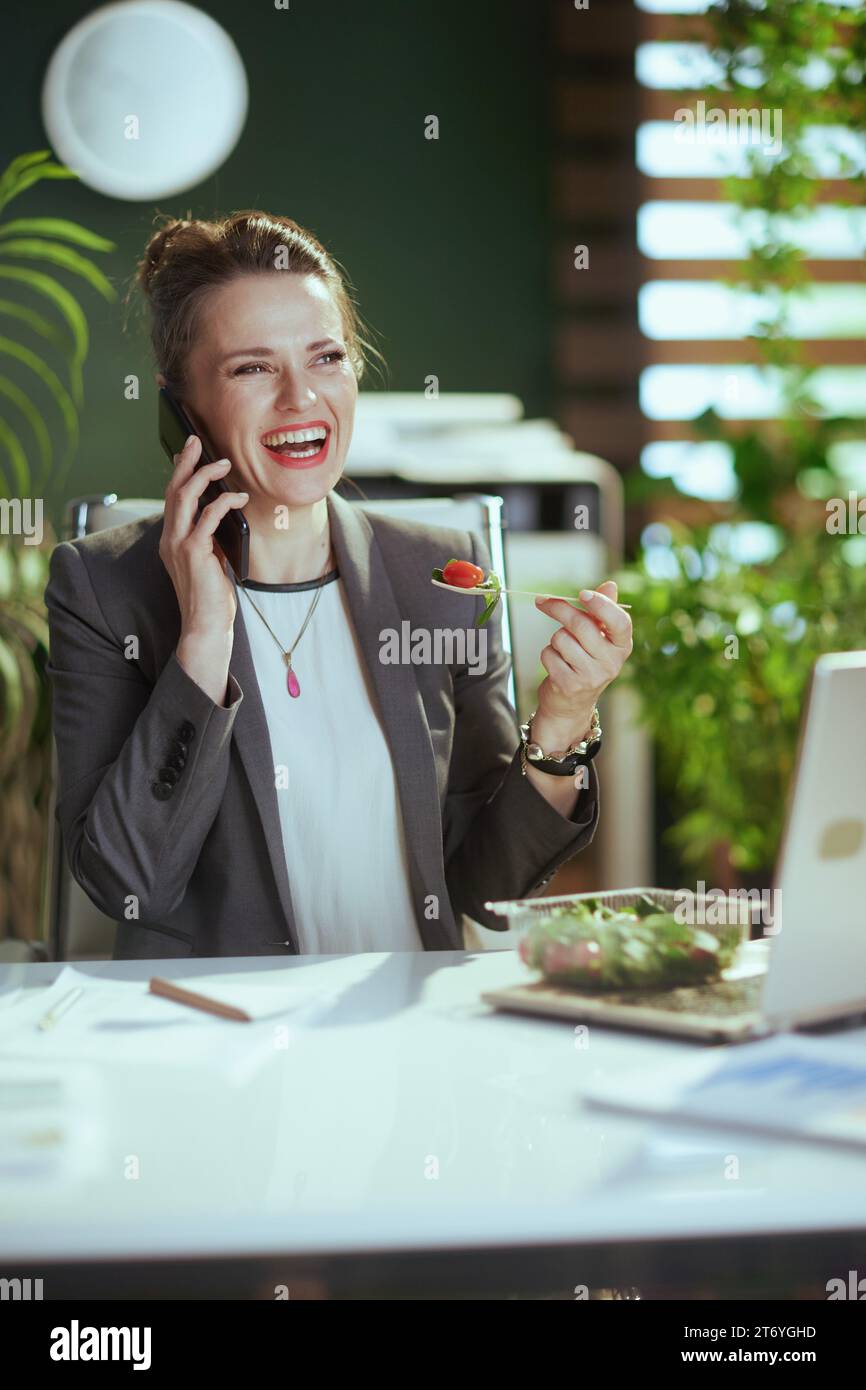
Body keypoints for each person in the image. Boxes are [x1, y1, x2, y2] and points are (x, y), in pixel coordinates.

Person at [45, 210, 632, 960]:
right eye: (251, 367)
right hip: (217, 1049)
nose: (300, 399)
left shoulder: (440, 576)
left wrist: (563, 720)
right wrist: (203, 639)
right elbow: (129, 883)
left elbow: (489, 889)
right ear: (180, 406)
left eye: (325, 358)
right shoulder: (101, 590)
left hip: (407, 1044)